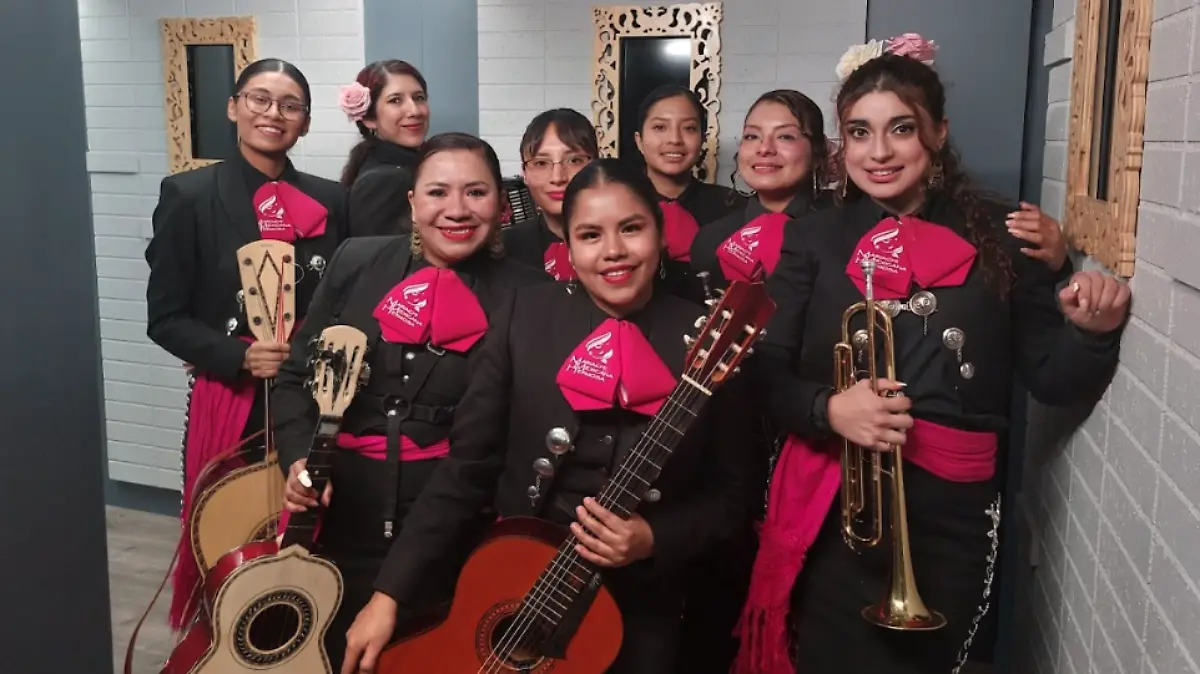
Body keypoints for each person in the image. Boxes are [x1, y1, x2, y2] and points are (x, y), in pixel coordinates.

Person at [734, 35, 1130, 674]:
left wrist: (1093, 331)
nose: (879, 152)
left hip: (953, 517)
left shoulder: (1007, 234)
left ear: (938, 133)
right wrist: (829, 408)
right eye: (859, 133)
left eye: (901, 129)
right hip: (838, 513)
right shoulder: (813, 237)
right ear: (842, 144)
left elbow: (1052, 380)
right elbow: (764, 373)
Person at [341, 158, 757, 673]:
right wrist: (389, 596)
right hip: (511, 586)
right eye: (590, 235)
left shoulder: (712, 341)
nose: (613, 251)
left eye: (631, 228)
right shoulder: (525, 318)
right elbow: (465, 469)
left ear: (660, 232)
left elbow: (733, 496)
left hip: (641, 604)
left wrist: (654, 538)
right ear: (569, 246)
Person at [271, 132, 546, 667]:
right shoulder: (356, 262)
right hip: (339, 522)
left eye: (476, 192)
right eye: (438, 192)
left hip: (455, 538)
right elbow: (295, 377)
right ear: (413, 202)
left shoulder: (531, 296)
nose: (456, 210)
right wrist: (299, 458)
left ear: (501, 203)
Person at [144, 57, 348, 629]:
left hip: (313, 398)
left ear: (306, 123)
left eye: (290, 105)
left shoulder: (333, 200)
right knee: (228, 535)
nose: (273, 113)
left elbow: (346, 303)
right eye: (259, 99)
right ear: (234, 107)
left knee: (309, 535)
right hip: (232, 398)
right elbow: (165, 318)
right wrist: (238, 355)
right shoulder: (189, 195)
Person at [338, 60, 430, 236]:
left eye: (419, 98)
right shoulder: (385, 180)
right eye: (395, 100)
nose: (415, 111)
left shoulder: (408, 164)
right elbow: (379, 252)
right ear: (369, 119)